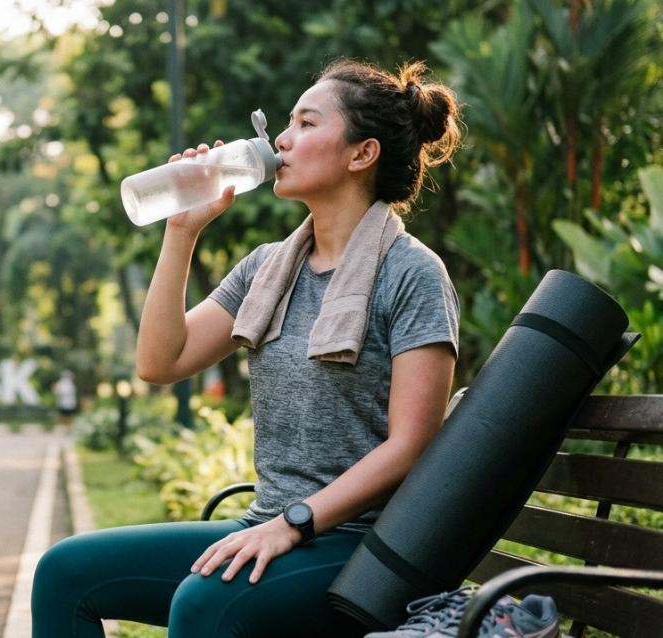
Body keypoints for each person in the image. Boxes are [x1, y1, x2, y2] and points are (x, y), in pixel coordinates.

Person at [32, 59, 462, 637]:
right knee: (64, 571)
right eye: (287, 122)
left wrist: (294, 524)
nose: (281, 139)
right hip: (269, 523)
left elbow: (411, 446)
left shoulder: (411, 273)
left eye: (306, 124)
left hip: (363, 547)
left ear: (362, 154)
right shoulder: (267, 268)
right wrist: (181, 232)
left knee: (205, 603)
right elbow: (160, 363)